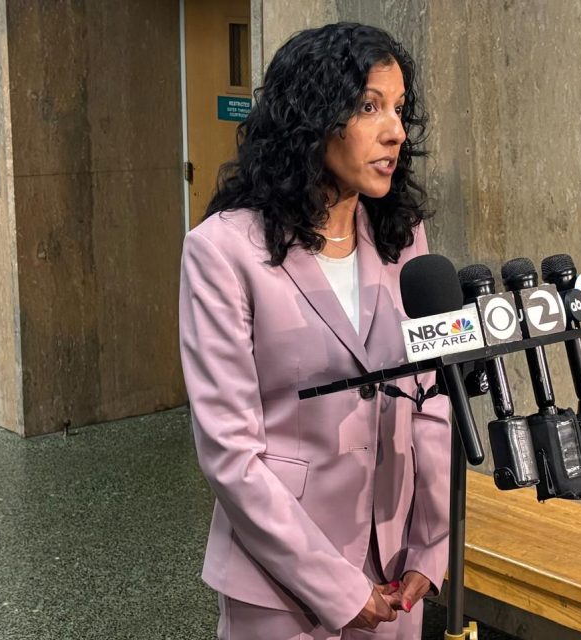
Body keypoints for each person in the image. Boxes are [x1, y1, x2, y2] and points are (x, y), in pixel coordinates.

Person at [178, 22, 451, 639]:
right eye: (368, 106)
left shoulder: (403, 241)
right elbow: (229, 452)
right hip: (280, 588)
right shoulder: (223, 252)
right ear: (311, 119)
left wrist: (430, 549)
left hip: (395, 577)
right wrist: (333, 585)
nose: (396, 132)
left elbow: (432, 400)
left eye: (400, 109)